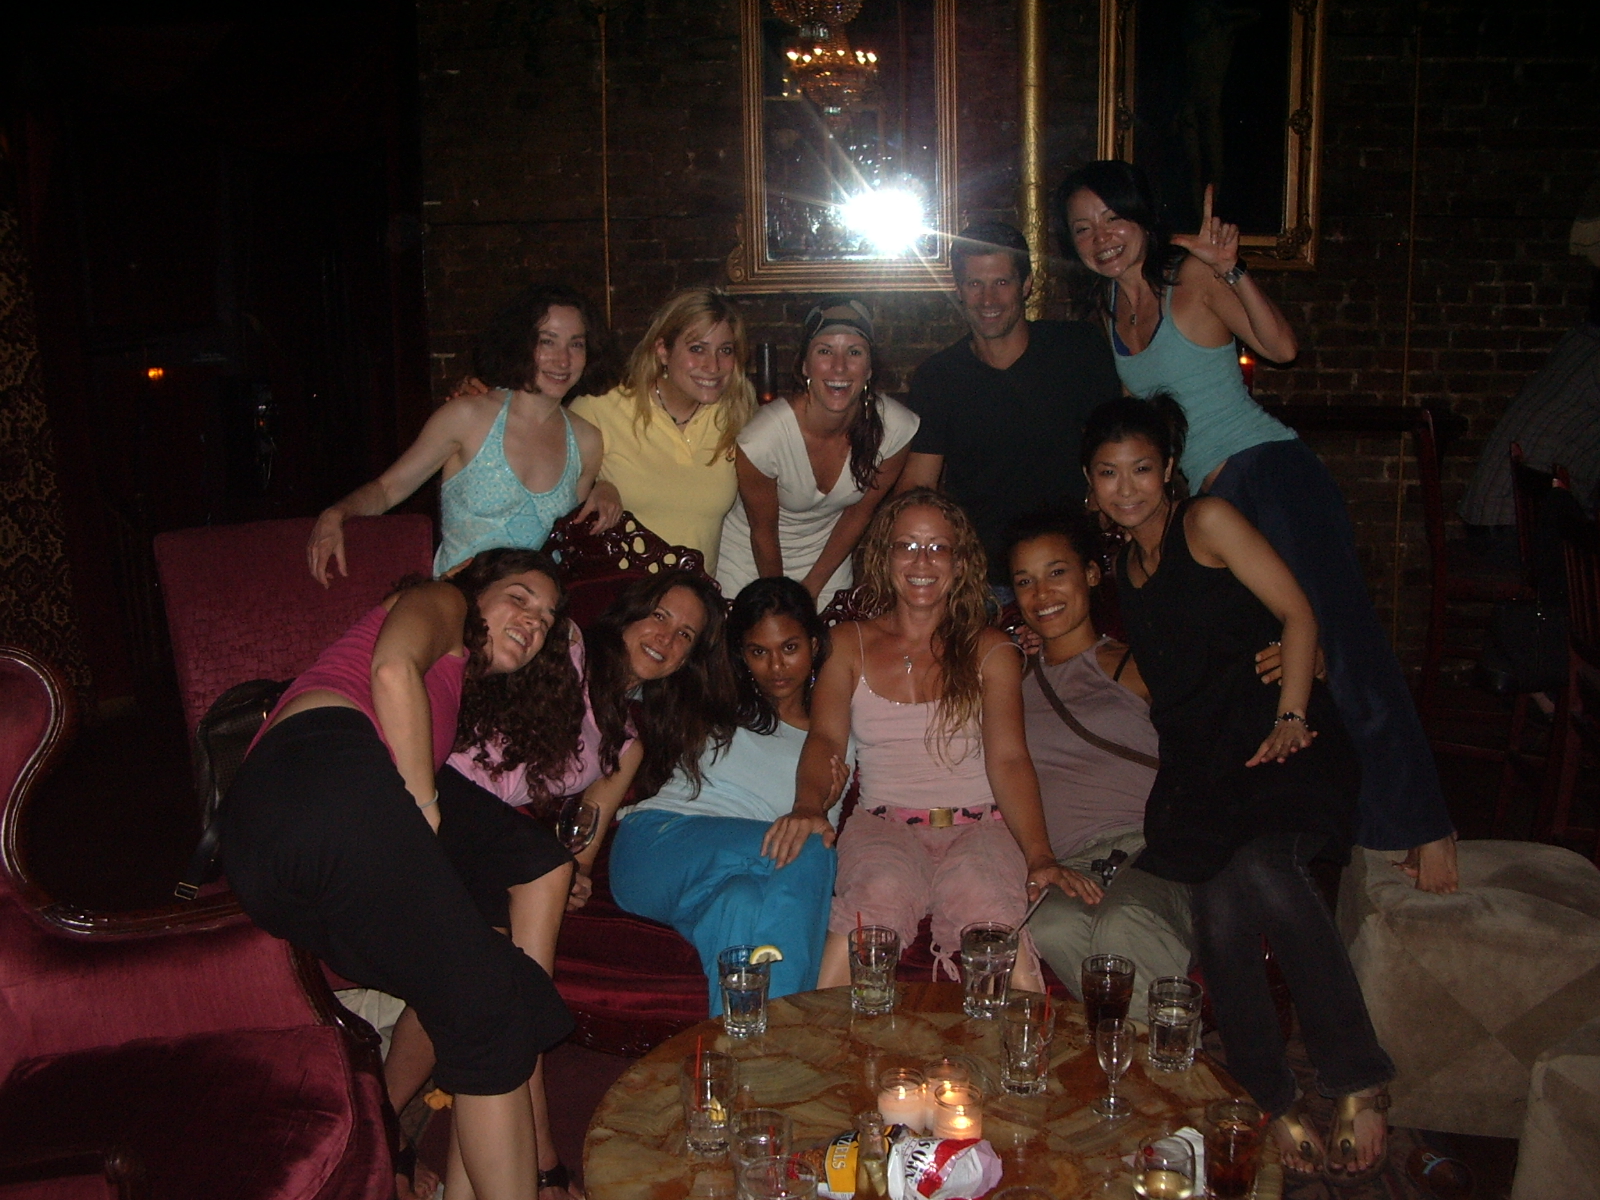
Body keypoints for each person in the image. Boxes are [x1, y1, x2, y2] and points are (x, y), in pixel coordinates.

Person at [1057, 159, 1459, 894]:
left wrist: (1233, 270)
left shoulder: (1192, 281)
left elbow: (1282, 349)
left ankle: (1429, 827)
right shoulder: (1110, 314)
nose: (1101, 237)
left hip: (1269, 475)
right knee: (1295, 655)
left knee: (1349, 645)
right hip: (1211, 501)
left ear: (1142, 219)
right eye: (1083, 228)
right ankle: (1367, 825)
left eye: (1112, 218)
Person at [1084, 397, 1393, 1182]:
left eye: (1142, 469)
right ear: (1089, 483)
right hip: (1205, 767)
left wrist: (1293, 710)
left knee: (1260, 866)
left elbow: (1298, 613)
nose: (1127, 488)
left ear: (1169, 470)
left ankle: (1357, 1077)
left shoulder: (1208, 522)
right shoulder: (1126, 569)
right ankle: (1271, 1093)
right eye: (1109, 474)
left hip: (1282, 737)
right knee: (1217, 893)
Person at [220, 549, 580, 1200]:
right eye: (520, 597)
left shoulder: (450, 689)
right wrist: (424, 808)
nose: (535, 621)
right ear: (474, 585)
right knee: (488, 1008)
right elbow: (392, 670)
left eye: (548, 618)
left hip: (278, 845)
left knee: (491, 994)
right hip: (320, 778)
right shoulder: (444, 600)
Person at [380, 567, 730, 1194]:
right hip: (435, 788)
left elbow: (583, 841)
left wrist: (579, 876)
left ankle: (390, 1129)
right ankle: (535, 1153)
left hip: (491, 837)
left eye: (684, 635)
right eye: (658, 616)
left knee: (475, 977)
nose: (665, 638)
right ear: (627, 616)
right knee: (507, 980)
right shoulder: (564, 646)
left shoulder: (628, 743)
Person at [786, 489, 1103, 992]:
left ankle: (1019, 1043)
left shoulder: (991, 649)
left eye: (938, 548)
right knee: (872, 901)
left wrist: (1040, 855)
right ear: (883, 555)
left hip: (980, 827)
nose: (922, 561)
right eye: (907, 546)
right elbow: (825, 739)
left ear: (960, 563)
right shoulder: (847, 643)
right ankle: (823, 1040)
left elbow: (1009, 759)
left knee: (994, 913)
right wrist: (808, 805)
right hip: (883, 825)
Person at [609, 578, 852, 1010]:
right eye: (758, 651)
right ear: (742, 655)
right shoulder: (713, 700)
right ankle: (792, 1028)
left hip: (730, 879)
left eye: (790, 647)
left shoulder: (838, 737)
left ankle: (745, 1042)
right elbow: (626, 676)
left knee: (742, 903)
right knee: (811, 845)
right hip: (656, 848)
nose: (776, 666)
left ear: (814, 645)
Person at [1004, 511, 1191, 1019]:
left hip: (1157, 846)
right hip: (1073, 861)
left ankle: (1160, 1062)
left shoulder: (1136, 663)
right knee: (1051, 925)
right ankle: (1128, 1053)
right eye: (1025, 581)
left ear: (1090, 574)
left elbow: (1216, 713)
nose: (1042, 594)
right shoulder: (1009, 680)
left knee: (1124, 920)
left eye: (1056, 572)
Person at [307, 285, 619, 583]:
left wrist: (606, 486)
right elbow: (388, 489)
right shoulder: (467, 417)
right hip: (459, 598)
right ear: (520, 343)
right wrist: (338, 512)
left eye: (576, 344)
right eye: (547, 341)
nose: (563, 360)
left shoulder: (586, 441)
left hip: (535, 610)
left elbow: (569, 544)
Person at [896, 222, 1120, 592]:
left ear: (1026, 284)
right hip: (984, 578)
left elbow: (1117, 444)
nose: (988, 299)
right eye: (975, 284)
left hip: (1075, 567)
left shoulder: (1077, 349)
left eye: (1001, 282)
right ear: (958, 289)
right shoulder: (939, 377)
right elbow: (918, 485)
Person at [717, 297, 919, 602]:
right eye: (825, 351)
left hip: (827, 566)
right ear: (805, 365)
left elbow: (858, 515)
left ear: (869, 369)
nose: (839, 366)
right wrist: (784, 603)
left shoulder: (895, 428)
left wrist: (811, 588)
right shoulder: (763, 438)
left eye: (854, 352)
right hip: (748, 566)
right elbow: (763, 533)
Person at [570, 288, 757, 574]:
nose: (713, 365)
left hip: (696, 596)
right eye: (697, 349)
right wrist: (599, 485)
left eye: (725, 350)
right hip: (619, 596)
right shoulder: (600, 409)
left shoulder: (737, 416)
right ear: (662, 350)